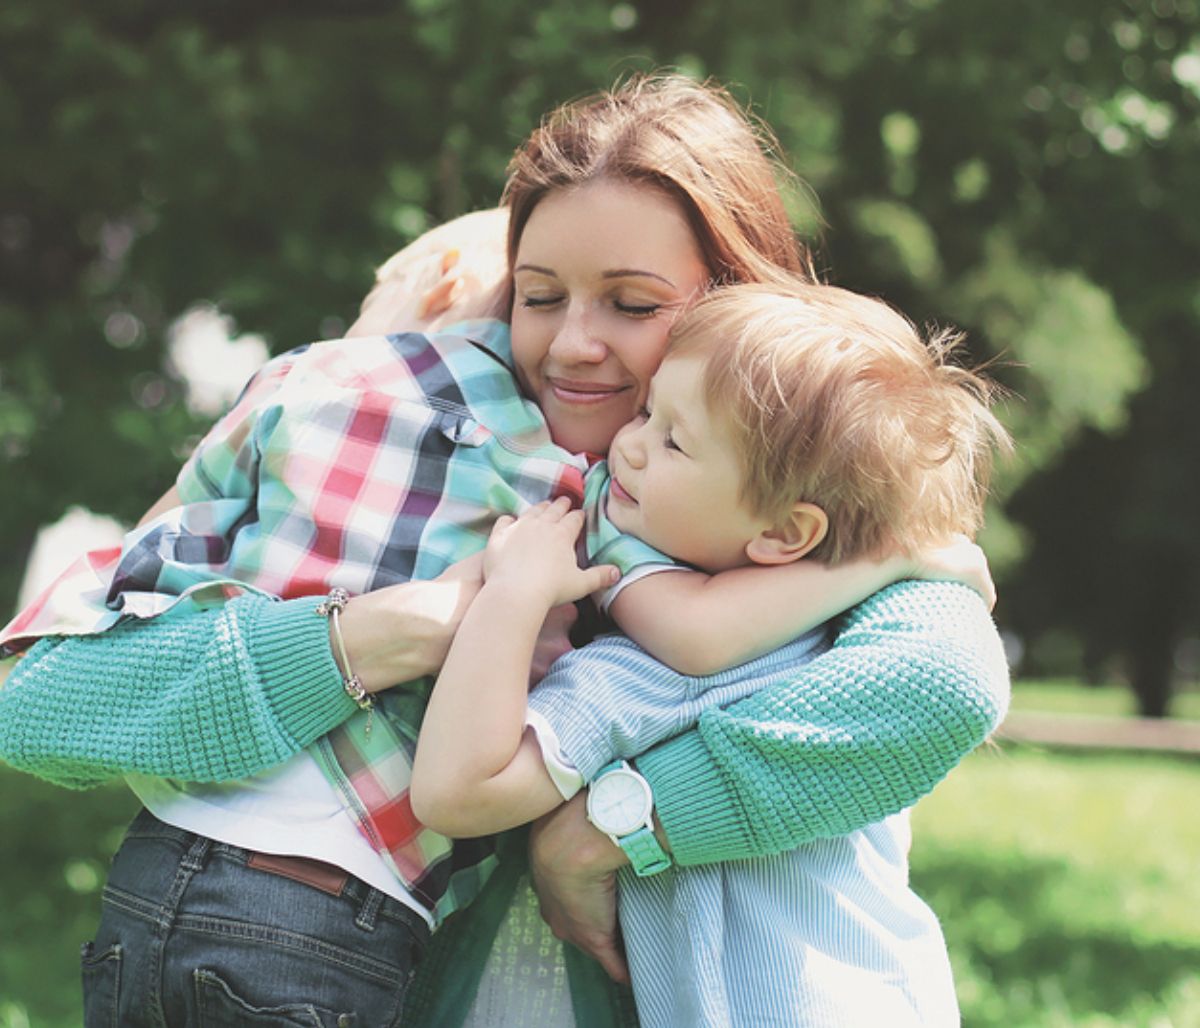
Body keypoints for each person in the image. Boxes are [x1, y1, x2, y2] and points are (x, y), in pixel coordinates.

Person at [0, 74, 1007, 1026]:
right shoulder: (420, 440)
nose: (573, 343)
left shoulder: (830, 492)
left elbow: (940, 685)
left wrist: (607, 828)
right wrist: (374, 636)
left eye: (636, 303)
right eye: (536, 295)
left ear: (740, 306)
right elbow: (38, 698)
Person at [410, 278, 1009, 1026]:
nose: (626, 444)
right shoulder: (851, 643)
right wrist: (894, 557)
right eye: (649, 410)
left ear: (788, 535)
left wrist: (514, 593)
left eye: (672, 439)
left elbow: (455, 792)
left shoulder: (662, 678)